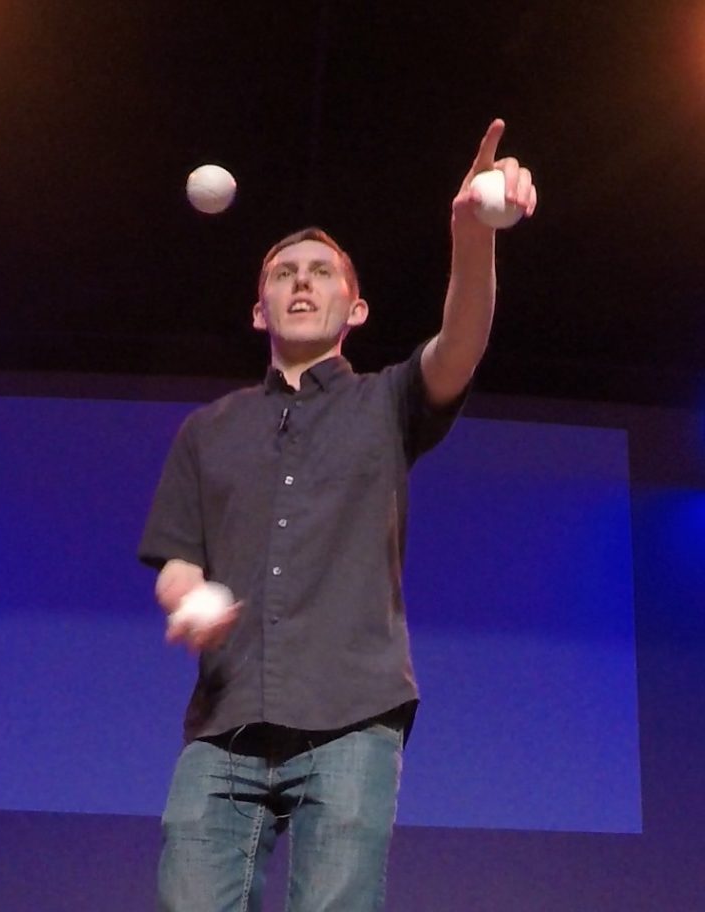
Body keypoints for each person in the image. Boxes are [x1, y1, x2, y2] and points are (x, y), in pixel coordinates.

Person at [138, 119, 536, 912]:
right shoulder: (207, 430)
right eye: (284, 273)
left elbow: (460, 342)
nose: (302, 282)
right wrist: (187, 598)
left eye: (322, 272)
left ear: (355, 308)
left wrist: (471, 233)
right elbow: (179, 557)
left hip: (352, 720)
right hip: (223, 728)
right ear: (261, 312)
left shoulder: (386, 401)